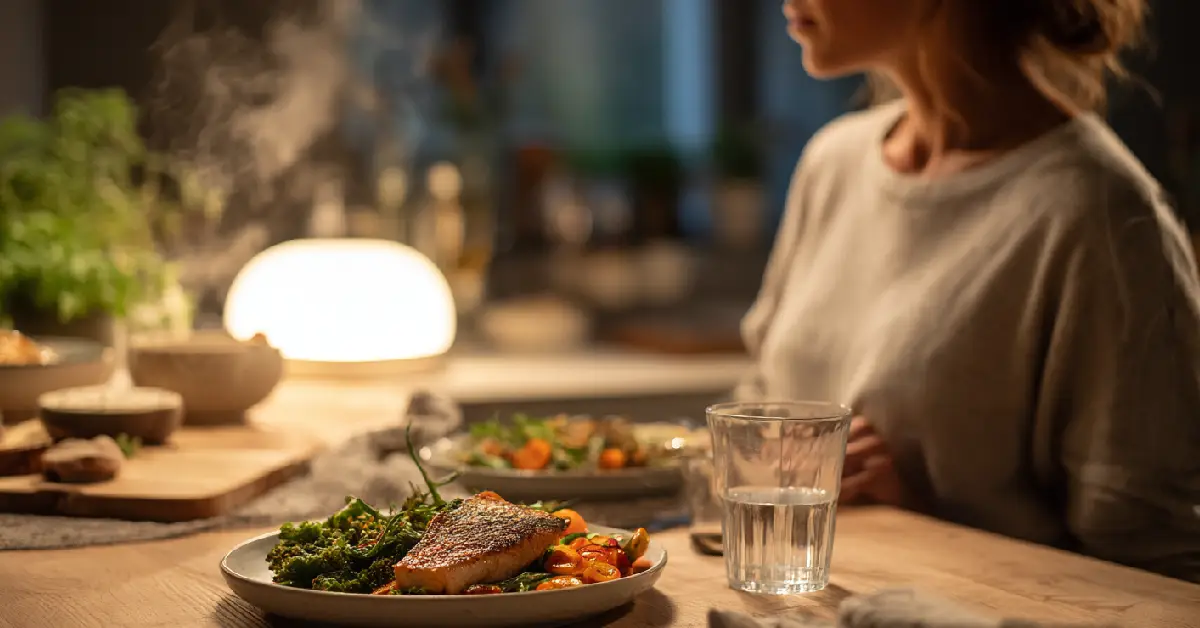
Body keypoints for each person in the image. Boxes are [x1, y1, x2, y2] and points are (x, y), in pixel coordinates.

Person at [739, 0, 1200, 581]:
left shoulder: (1104, 220)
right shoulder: (833, 163)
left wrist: (924, 525)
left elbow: (1160, 575)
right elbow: (757, 401)